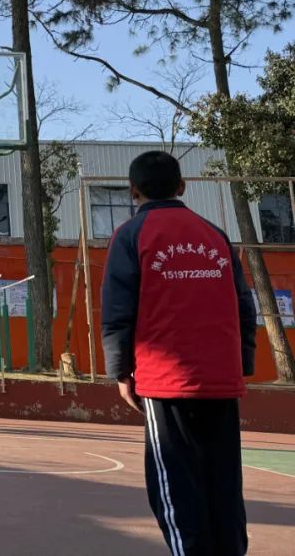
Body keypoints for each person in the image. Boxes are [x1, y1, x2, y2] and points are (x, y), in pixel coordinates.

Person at [101, 150, 257, 556]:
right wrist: (242, 362)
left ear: (133, 191)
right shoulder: (215, 235)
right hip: (221, 379)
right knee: (223, 482)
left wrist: (121, 372)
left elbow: (118, 309)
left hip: (165, 381)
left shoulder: (131, 235)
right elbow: (244, 303)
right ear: (182, 187)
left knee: (174, 485)